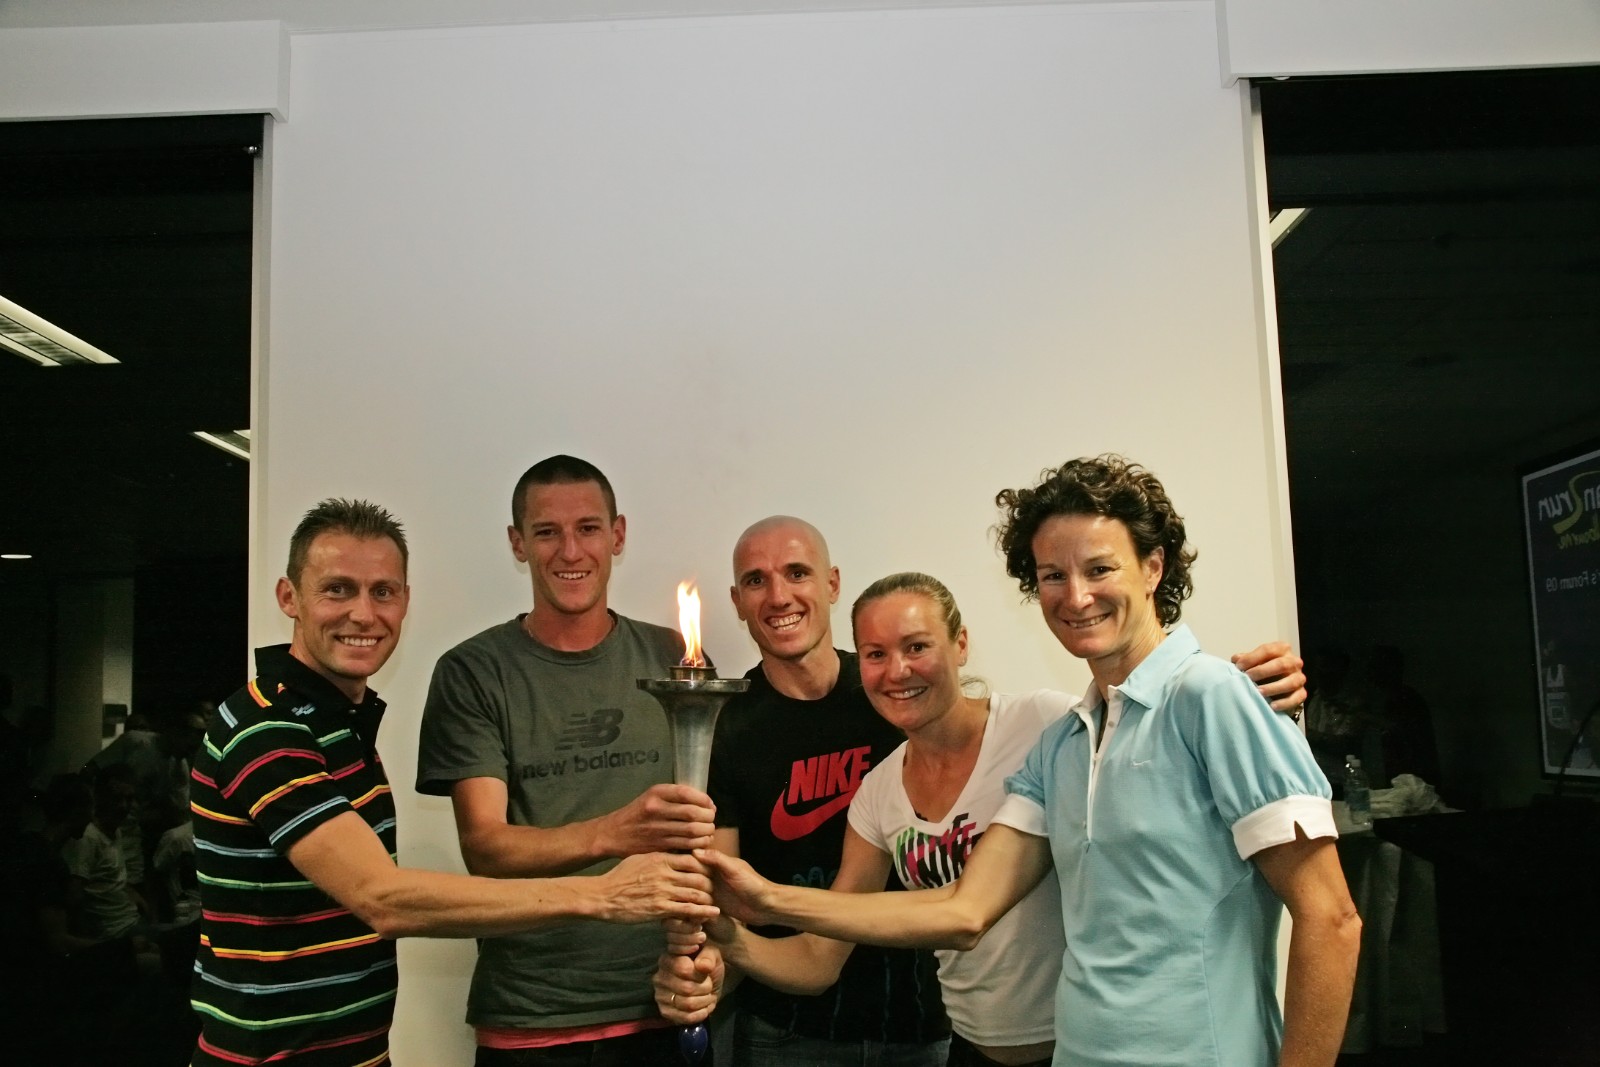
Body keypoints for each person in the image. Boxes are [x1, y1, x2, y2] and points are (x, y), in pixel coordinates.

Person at [696, 458, 1360, 1067]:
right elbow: (965, 909)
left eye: (1099, 569)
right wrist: (764, 900)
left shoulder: (1210, 696)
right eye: (1052, 576)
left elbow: (1331, 919)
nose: (1076, 596)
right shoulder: (1064, 741)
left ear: (1153, 567)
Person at [190, 497, 716, 1067]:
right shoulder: (267, 730)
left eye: (383, 592)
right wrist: (604, 895)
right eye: (337, 590)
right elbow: (382, 898)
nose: (363, 614)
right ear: (288, 597)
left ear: (405, 601)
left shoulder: (337, 725)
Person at [416, 457, 719, 1066]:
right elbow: (486, 847)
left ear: (618, 535)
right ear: (518, 543)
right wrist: (615, 832)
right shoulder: (474, 672)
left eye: (588, 528)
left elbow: (711, 834)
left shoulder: (676, 657)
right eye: (547, 532)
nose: (570, 551)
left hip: (664, 1005)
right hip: (533, 1018)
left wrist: (717, 951)